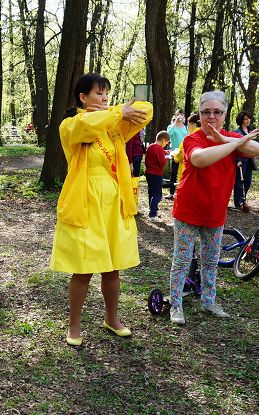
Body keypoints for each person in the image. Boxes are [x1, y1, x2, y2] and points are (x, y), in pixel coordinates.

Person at [49, 73, 152, 346]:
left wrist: (123, 111)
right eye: (98, 93)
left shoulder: (112, 125)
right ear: (82, 98)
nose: (105, 98)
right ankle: (73, 325)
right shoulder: (71, 125)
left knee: (113, 268)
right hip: (86, 202)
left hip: (113, 202)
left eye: (107, 93)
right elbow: (86, 124)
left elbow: (146, 110)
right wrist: (118, 111)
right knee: (83, 269)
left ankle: (112, 318)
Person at [169, 90, 259, 325]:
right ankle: (175, 305)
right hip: (188, 211)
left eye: (217, 112)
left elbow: (257, 150)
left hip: (215, 213)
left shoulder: (229, 137)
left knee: (211, 260)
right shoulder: (192, 139)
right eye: (206, 112)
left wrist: (225, 140)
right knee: (182, 261)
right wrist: (234, 144)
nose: (211, 117)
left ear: (225, 114)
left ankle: (209, 300)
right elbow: (200, 159)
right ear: (199, 115)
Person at [145, 131, 170, 222]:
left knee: (151, 192)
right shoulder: (159, 149)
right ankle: (153, 214)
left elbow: (155, 152)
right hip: (156, 173)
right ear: (163, 141)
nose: (165, 145)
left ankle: (151, 209)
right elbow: (162, 163)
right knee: (157, 195)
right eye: (166, 143)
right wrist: (166, 157)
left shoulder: (151, 146)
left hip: (148, 173)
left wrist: (164, 151)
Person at [233, 111, 256, 212]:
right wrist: (237, 160)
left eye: (249, 118)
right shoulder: (237, 132)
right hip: (241, 161)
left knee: (248, 181)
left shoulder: (250, 131)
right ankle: (238, 203)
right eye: (246, 119)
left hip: (250, 160)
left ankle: (243, 200)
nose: (248, 121)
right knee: (239, 182)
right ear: (241, 120)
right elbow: (236, 148)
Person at [166, 111, 188, 198]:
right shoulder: (172, 126)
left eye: (182, 115)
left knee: (183, 173)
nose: (181, 116)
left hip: (184, 153)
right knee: (173, 173)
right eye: (179, 114)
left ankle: (181, 191)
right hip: (176, 153)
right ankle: (171, 192)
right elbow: (168, 134)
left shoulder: (185, 127)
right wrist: (175, 122)